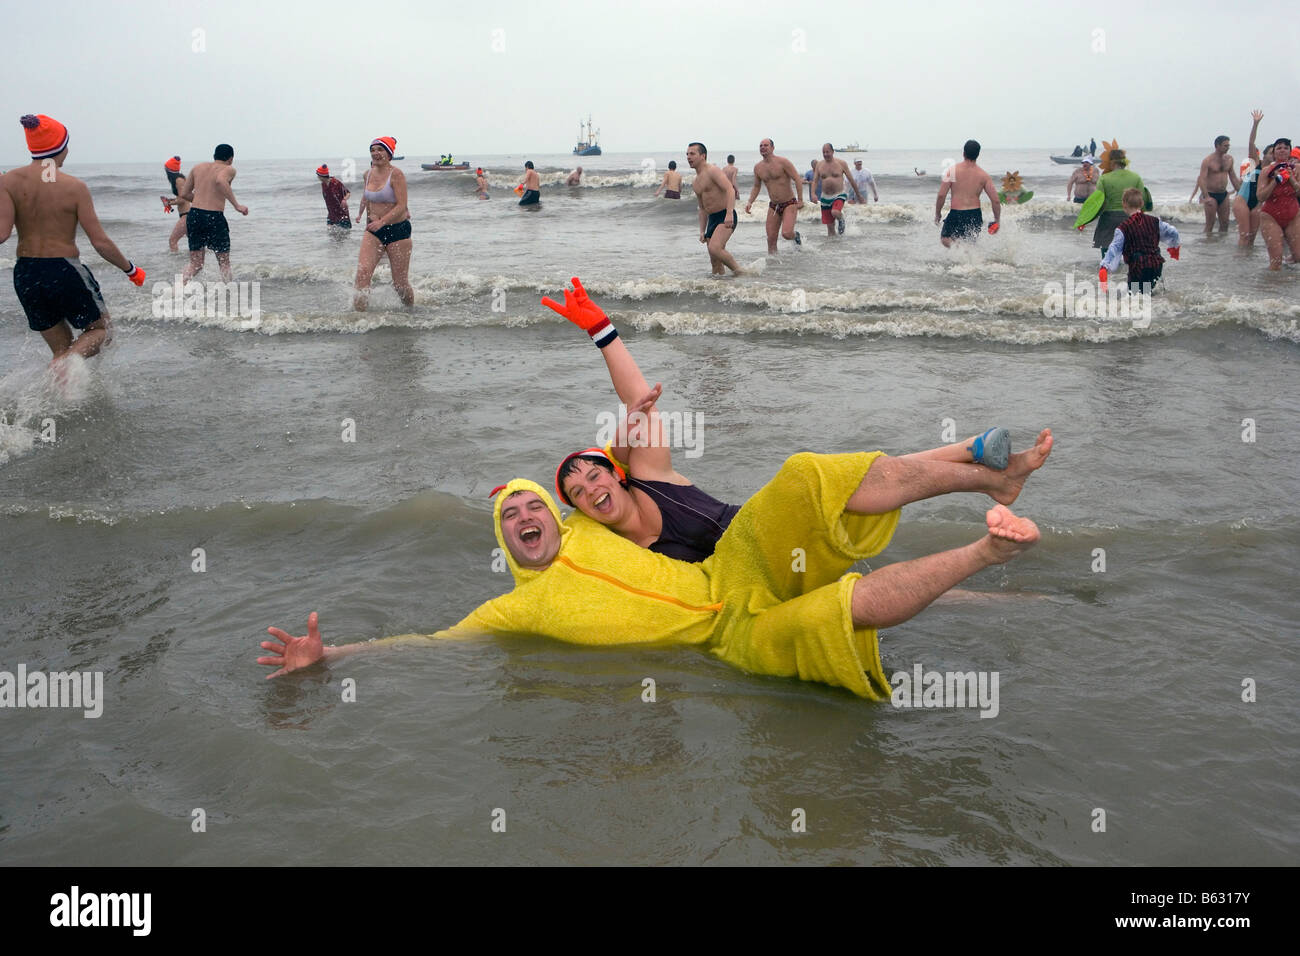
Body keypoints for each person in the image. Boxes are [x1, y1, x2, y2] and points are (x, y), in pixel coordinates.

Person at [261, 439, 1051, 700]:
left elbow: (628, 425)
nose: (526, 518)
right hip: (729, 637)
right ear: (503, 544)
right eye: (509, 519)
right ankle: (989, 550)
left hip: (732, 566)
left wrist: (603, 333)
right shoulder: (515, 609)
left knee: (809, 475)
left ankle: (987, 475)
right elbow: (432, 641)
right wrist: (332, 658)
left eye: (533, 505)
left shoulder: (590, 516)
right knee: (835, 613)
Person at [542, 277, 1020, 561]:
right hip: (758, 583)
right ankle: (971, 457)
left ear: (615, 473)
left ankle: (980, 477)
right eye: (577, 492)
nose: (590, 489)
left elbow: (638, 398)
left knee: (826, 483)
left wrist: (603, 334)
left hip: (765, 527)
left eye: (592, 474)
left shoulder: (649, 477)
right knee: (867, 565)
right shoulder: (613, 552)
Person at [1, 114, 145, 367]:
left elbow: (2, 234)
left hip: (26, 273)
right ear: (62, 146)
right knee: (101, 331)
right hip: (62, 270)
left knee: (62, 349)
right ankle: (63, 366)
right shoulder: (74, 186)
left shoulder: (8, 181)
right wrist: (130, 269)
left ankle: (63, 397)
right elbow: (99, 241)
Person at [354, 136, 413, 310]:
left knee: (400, 285)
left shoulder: (396, 174)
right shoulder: (367, 174)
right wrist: (364, 217)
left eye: (380, 150)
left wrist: (382, 221)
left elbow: (401, 205)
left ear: (389, 154)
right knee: (362, 275)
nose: (376, 153)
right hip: (373, 231)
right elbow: (368, 199)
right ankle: (358, 319)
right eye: (373, 150)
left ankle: (411, 310)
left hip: (398, 230)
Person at [179, 143, 248, 282]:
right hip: (213, 217)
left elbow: (184, 194)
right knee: (224, 263)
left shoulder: (197, 167)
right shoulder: (229, 169)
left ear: (214, 156)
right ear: (231, 159)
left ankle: (177, 288)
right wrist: (237, 205)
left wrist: (200, 198)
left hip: (194, 216)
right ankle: (229, 292)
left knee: (196, 264)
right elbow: (221, 181)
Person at [1098, 188, 1181, 293]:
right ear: (1141, 203)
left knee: (1135, 297)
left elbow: (1114, 248)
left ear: (1124, 205)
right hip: (1156, 264)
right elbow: (1173, 232)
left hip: (1138, 267)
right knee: (1149, 293)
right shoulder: (1155, 221)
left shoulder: (1123, 228)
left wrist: (1104, 266)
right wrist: (1174, 246)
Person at [686, 142, 743, 275]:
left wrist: (729, 213)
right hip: (712, 219)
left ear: (703, 156)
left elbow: (730, 189)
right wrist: (701, 230)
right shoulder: (695, 182)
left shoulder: (712, 170)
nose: (689, 157)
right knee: (715, 263)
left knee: (715, 248)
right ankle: (720, 288)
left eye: (692, 154)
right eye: (687, 154)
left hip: (725, 215)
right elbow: (702, 208)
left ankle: (741, 272)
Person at [935, 139, 1000, 246]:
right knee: (970, 243)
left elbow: (941, 195)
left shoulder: (952, 171)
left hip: (957, 213)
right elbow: (996, 200)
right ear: (978, 155)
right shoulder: (984, 175)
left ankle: (959, 250)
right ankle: (969, 260)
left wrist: (938, 214)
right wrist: (997, 220)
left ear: (963, 153)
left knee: (945, 239)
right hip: (975, 215)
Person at [744, 138, 803, 252]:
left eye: (766, 145)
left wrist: (800, 199)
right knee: (771, 239)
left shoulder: (783, 162)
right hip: (774, 206)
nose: (763, 147)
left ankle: (796, 236)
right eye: (761, 146)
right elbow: (756, 186)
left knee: (786, 233)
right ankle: (774, 267)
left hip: (789, 203)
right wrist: (750, 202)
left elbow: (797, 179)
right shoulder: (758, 167)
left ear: (772, 148)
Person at [1084, 148, 1145, 249]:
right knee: (1130, 252)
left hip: (1108, 219)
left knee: (1107, 254)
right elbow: (1142, 202)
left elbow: (1099, 203)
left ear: (1110, 162)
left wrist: (1086, 219)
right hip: (1131, 219)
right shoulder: (1136, 177)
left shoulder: (1104, 179)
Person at [1256, 138, 1300, 271]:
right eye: (1279, 148)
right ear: (1274, 152)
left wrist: (1291, 178)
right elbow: (1260, 196)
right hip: (1271, 215)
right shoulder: (1266, 171)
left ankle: (1287, 286)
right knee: (1276, 261)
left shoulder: (1297, 169)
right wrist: (1275, 180)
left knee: (1298, 256)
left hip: (1293, 214)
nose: (1282, 150)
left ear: (1290, 152)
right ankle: (1272, 288)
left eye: (1286, 148)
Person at [1191, 136, 1240, 236]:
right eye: (1225, 145)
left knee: (1225, 224)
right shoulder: (1208, 160)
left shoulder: (1229, 159)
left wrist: (1240, 191)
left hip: (1223, 194)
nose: (1228, 147)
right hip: (1211, 194)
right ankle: (1207, 246)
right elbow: (1202, 179)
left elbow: (1233, 177)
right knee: (1210, 224)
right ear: (1217, 146)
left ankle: (1220, 247)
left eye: (1228, 145)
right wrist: (1206, 196)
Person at [813, 143, 864, 236]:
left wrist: (858, 195)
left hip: (839, 194)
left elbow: (851, 180)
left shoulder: (841, 163)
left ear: (833, 152)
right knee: (830, 227)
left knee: (835, 212)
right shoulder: (819, 165)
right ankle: (834, 247)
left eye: (827, 152)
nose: (825, 154)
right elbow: (815, 181)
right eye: (823, 152)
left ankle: (841, 219)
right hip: (825, 197)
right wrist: (813, 194)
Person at [1233, 111, 1266, 247]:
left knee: (1252, 238)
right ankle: (1239, 263)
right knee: (1244, 236)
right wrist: (1255, 124)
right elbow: (1251, 142)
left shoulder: (1273, 169)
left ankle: (1248, 265)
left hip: (1257, 203)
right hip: (1243, 200)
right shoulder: (1255, 163)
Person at [161, 156, 190, 252]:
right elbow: (180, 198)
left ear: (169, 170)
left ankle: (176, 263)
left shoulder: (179, 180)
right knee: (194, 242)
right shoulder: (178, 180)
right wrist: (170, 200)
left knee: (172, 241)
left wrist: (168, 202)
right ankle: (193, 262)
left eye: (166, 169)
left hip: (186, 215)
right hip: (185, 215)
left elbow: (182, 200)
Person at [316, 163, 351, 233]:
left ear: (322, 176)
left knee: (344, 235)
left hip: (342, 213)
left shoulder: (336, 183)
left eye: (318, 176)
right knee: (331, 235)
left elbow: (348, 193)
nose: (317, 177)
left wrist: (344, 200)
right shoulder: (323, 184)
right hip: (331, 214)